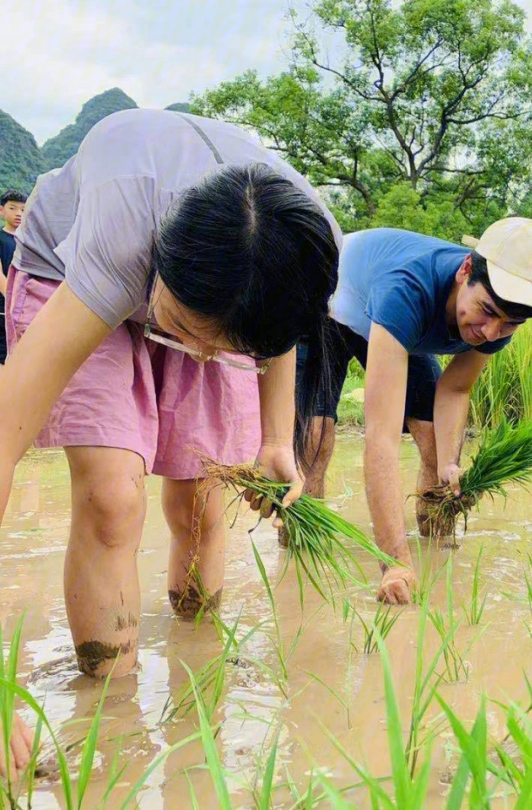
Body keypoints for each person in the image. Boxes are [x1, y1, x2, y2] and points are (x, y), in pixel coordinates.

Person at [0, 108, 341, 779]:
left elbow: (277, 337)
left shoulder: (305, 243)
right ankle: (111, 714)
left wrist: (278, 441)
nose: (204, 358)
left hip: (201, 297)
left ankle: (197, 668)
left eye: (224, 348)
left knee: (204, 504)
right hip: (69, 270)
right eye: (189, 333)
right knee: (112, 497)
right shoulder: (121, 229)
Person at [292, 218, 532, 605]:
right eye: (486, 311)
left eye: (509, 324)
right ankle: (300, 559)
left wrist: (449, 466)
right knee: (316, 437)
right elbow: (380, 438)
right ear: (465, 270)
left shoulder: (498, 325)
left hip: (393, 326)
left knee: (437, 446)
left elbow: (454, 389)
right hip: (329, 304)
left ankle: (437, 550)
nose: (490, 332)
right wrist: (394, 562)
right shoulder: (408, 288)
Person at [1, 189, 27, 364]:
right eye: (13, 208)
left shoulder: (29, 242)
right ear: (1, 210)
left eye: (23, 210)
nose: (18, 213)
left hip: (24, 311)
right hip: (4, 311)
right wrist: (13, 303)